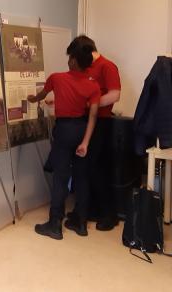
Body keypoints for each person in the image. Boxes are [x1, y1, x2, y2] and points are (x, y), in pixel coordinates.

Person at [28, 41, 100, 239]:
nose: (68, 61)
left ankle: (55, 224)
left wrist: (31, 99)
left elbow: (39, 96)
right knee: (82, 177)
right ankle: (81, 224)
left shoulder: (57, 78)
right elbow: (92, 117)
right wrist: (85, 142)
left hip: (64, 131)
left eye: (70, 57)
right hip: (82, 130)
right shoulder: (93, 86)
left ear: (74, 61)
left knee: (60, 177)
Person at [66, 35, 121, 231]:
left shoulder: (107, 66)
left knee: (98, 170)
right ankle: (87, 210)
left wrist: (91, 104)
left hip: (101, 122)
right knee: (84, 168)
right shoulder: (86, 67)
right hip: (83, 122)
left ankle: (109, 214)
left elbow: (115, 94)